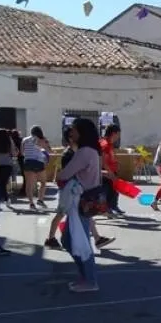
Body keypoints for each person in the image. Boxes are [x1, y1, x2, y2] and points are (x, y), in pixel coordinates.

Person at [56, 118, 106, 293]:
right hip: (86, 200)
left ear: (81, 132)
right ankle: (85, 275)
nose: (72, 133)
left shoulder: (84, 152)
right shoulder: (91, 151)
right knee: (70, 240)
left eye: (74, 130)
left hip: (80, 201)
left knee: (80, 242)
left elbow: (64, 174)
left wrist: (60, 177)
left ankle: (90, 280)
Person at [46, 126, 113, 251]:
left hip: (76, 190)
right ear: (71, 139)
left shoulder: (78, 152)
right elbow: (70, 173)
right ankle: (51, 238)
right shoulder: (69, 154)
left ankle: (97, 239)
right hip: (68, 190)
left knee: (85, 213)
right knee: (62, 213)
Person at [20, 125, 50, 211]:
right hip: (38, 162)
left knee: (29, 185)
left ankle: (31, 203)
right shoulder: (42, 139)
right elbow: (47, 150)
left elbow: (22, 153)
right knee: (43, 182)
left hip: (28, 162)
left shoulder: (24, 140)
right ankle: (40, 199)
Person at [99, 123, 124, 216]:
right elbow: (103, 161)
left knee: (114, 189)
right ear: (114, 133)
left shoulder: (108, 143)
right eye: (118, 134)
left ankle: (112, 206)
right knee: (106, 190)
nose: (118, 137)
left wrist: (116, 163)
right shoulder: (105, 144)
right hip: (107, 172)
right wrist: (110, 173)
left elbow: (109, 157)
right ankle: (107, 208)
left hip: (111, 170)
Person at [0, 130, 15, 209]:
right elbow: (14, 153)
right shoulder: (9, 141)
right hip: (7, 164)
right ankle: (6, 199)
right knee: (3, 183)